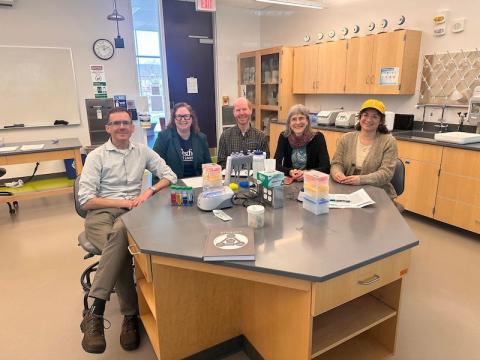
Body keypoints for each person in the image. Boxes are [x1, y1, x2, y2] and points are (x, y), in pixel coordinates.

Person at [78, 108, 177, 354]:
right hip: (101, 215)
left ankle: (97, 310)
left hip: (131, 215)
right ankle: (129, 317)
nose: (122, 127)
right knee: (121, 249)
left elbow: (169, 175)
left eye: (126, 123)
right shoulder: (96, 156)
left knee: (120, 240)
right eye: (116, 123)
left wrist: (148, 192)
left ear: (132, 128)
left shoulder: (142, 151)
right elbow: (86, 200)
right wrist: (120, 202)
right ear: (108, 128)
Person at [330, 99, 398, 199]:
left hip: (377, 193)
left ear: (381, 121)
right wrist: (337, 173)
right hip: (348, 190)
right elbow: (336, 163)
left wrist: (361, 180)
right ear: (360, 117)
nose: (369, 120)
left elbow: (386, 173)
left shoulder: (389, 141)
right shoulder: (346, 138)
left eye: (374, 116)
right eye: (365, 115)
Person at [152, 102, 211, 180]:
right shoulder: (163, 137)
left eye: (186, 116)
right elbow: (156, 165)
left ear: (191, 118)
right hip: (173, 183)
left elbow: (208, 164)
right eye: (179, 116)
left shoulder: (201, 138)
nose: (183, 119)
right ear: (174, 119)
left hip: (197, 181)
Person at [274, 104, 330, 181]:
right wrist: (290, 172)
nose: (298, 122)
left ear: (307, 121)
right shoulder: (284, 137)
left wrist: (306, 173)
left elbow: (326, 167)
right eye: (294, 119)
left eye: (301, 118)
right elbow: (275, 164)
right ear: (289, 123)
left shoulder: (318, 137)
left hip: (312, 182)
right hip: (290, 180)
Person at [217, 97, 269, 168]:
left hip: (254, 178)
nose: (241, 113)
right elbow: (221, 164)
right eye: (238, 110)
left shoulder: (261, 136)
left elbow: (266, 163)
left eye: (244, 109)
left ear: (250, 111)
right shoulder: (225, 136)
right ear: (234, 113)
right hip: (232, 178)